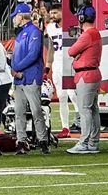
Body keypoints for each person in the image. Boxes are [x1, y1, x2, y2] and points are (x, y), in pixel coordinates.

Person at [10, 4, 49, 154]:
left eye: (16, 16)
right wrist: (15, 69)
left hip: (30, 76)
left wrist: (16, 68)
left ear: (21, 16)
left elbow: (33, 55)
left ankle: (43, 140)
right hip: (21, 77)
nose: (14, 18)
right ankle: (22, 141)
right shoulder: (23, 33)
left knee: (36, 110)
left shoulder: (34, 32)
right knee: (19, 111)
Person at [67, 5, 103, 155]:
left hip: (85, 75)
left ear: (81, 18)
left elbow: (71, 51)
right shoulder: (96, 33)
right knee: (93, 109)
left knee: (85, 110)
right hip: (93, 74)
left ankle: (84, 142)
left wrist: (78, 57)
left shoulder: (86, 35)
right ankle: (93, 141)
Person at [45, 8, 74, 136]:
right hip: (57, 64)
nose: (52, 15)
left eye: (55, 12)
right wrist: (47, 66)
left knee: (73, 95)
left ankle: (83, 124)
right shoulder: (50, 27)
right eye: (51, 13)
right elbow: (51, 48)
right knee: (62, 97)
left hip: (70, 63)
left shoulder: (71, 26)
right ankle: (65, 128)